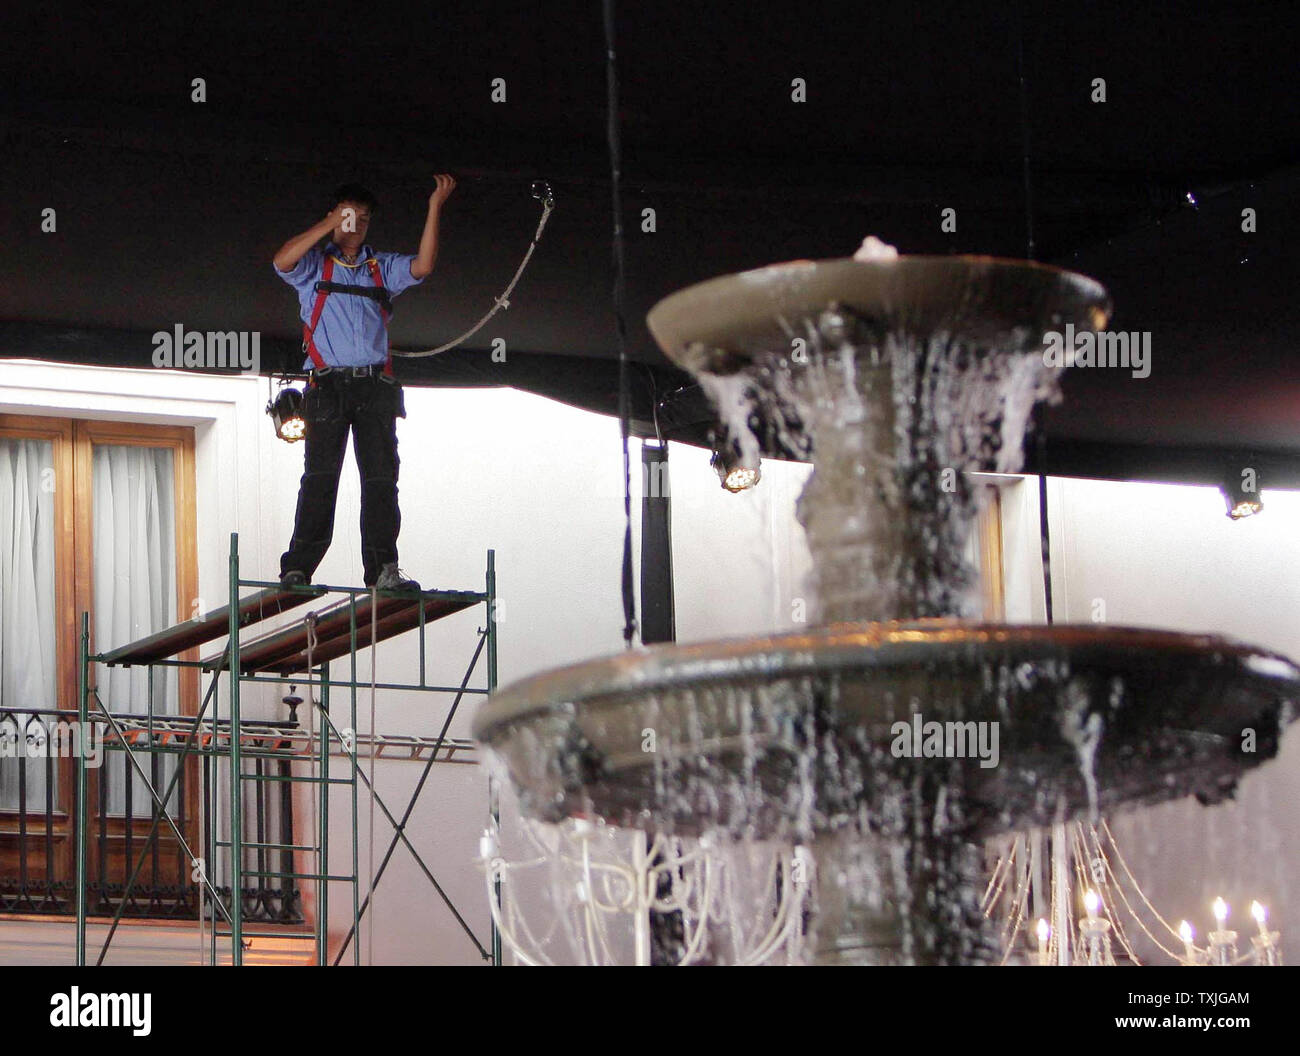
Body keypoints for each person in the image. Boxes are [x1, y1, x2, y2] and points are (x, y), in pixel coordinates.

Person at [272, 176, 456, 590]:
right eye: (350, 217)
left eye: (364, 218)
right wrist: (329, 223)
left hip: (375, 388)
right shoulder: (313, 267)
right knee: (320, 480)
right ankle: (297, 567)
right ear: (336, 216)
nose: (357, 225)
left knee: (380, 481)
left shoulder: (380, 268)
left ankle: (383, 571)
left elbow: (423, 266)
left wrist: (434, 206)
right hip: (327, 388)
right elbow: (281, 260)